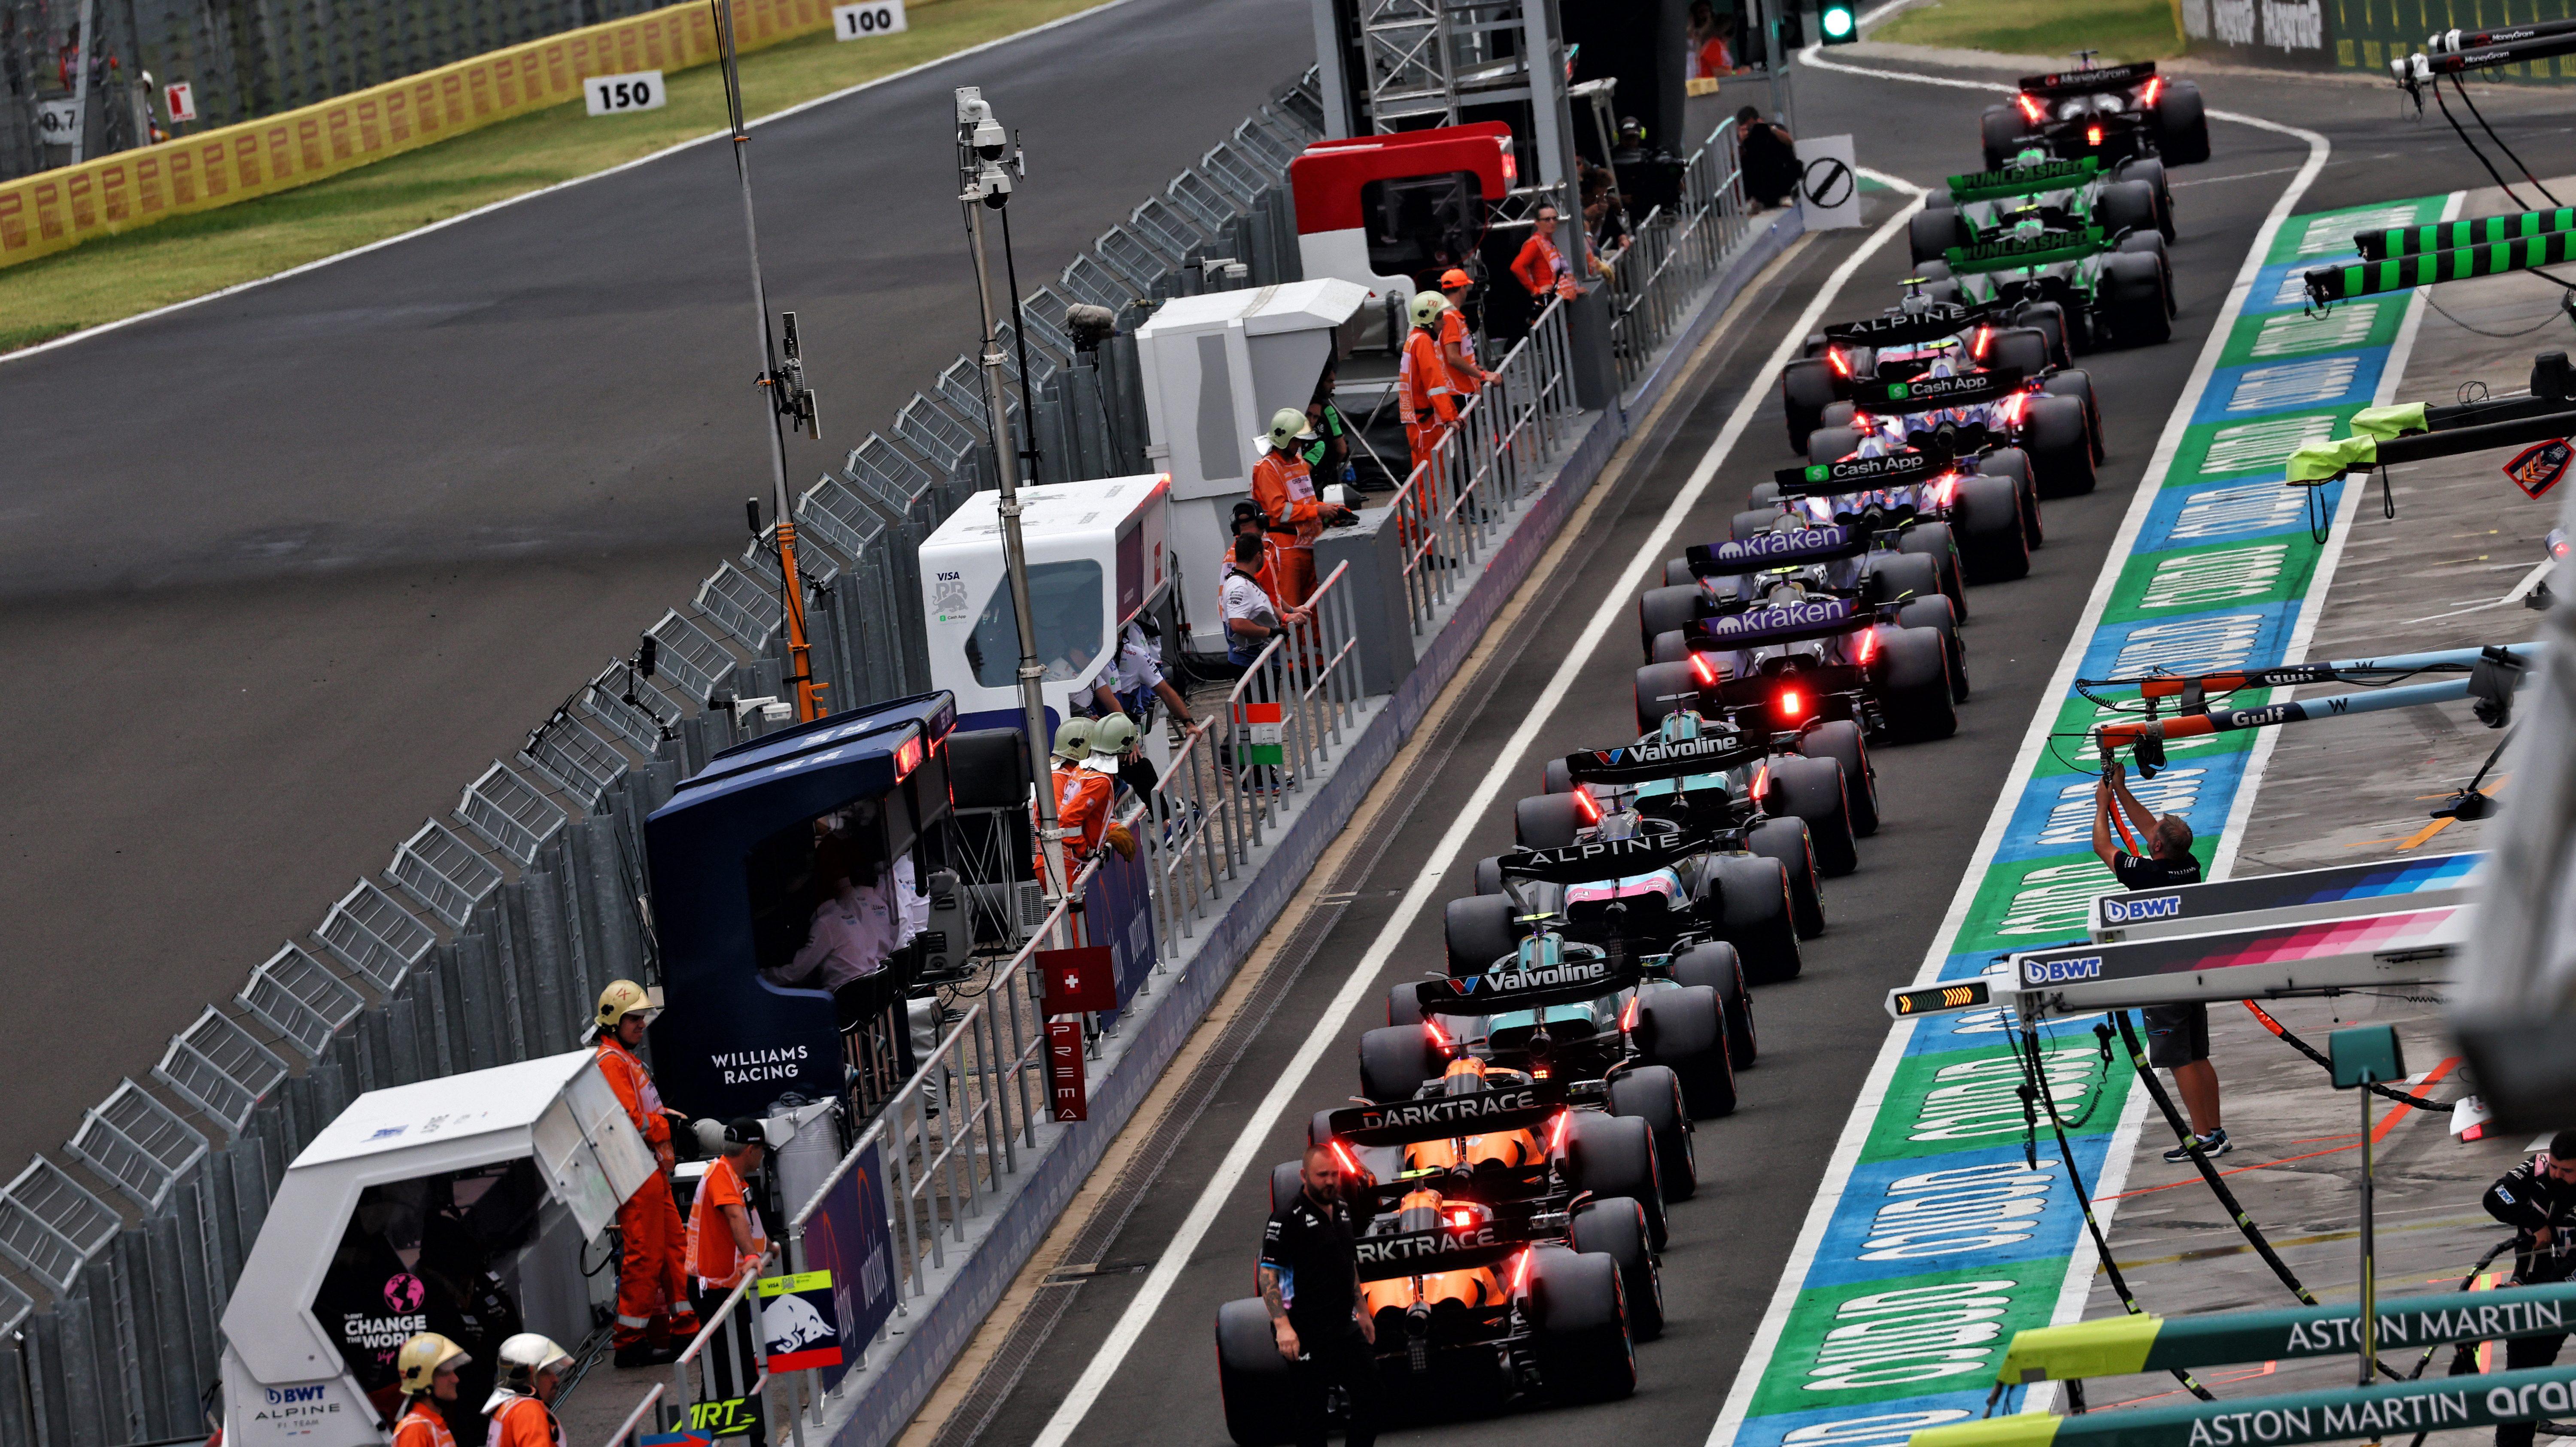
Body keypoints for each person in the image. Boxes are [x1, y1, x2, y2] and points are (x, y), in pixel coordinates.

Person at [2091, 760, 2220, 1162]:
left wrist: (2101, 805)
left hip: (2164, 975)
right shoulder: (2189, 864)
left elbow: (2103, 847)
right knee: (2198, 1055)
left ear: (2159, 847)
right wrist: (2121, 790)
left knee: (2180, 1060)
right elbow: (2153, 829)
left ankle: (2202, 1138)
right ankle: (2215, 1131)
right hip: (2193, 972)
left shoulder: (2147, 874)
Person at [592, 982, 698, 1367]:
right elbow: (630, 1121)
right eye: (634, 1018)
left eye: (643, 1017)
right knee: (646, 1255)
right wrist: (666, 1128)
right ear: (613, 1021)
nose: (642, 1024)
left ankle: (686, 1326)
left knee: (674, 1248)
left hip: (648, 1169)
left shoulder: (624, 1060)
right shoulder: (611, 1063)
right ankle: (629, 1343)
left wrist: (664, 1123)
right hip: (635, 1171)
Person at [1261, 1145, 1382, 1447]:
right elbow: (1268, 1277)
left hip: (1342, 1326)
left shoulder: (1342, 1209)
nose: (1330, 1181)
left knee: (1373, 1394)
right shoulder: (1285, 1219)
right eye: (1322, 1175)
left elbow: (1348, 1262)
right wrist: (1283, 1327)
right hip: (1304, 1331)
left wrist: (1363, 1311)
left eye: (1334, 1174)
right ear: (1304, 1176)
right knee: (1312, 1418)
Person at [2486, 1132, 2576, 1447]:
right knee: (2521, 1386)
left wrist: (2536, 1292)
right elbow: (2496, 1196)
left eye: (2567, 1171)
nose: (2557, 1175)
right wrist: (2535, 1222)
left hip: (2564, 1289)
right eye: (2555, 1167)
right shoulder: (2536, 1169)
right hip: (2533, 1285)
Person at [1253, 407, 1358, 607]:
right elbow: (1280, 511)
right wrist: (1319, 511)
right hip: (1285, 549)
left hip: (1309, 543)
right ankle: (1294, 641)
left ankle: (1315, 641)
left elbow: (1307, 501)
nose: (1300, 444)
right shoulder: (1267, 469)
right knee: (1292, 610)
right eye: (1296, 440)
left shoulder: (1299, 462)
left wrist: (1332, 510)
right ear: (1283, 439)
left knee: (1314, 610)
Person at [1399, 292, 1461, 481]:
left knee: (1423, 477)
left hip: (1419, 422)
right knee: (1431, 480)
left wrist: (1452, 414)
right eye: (1440, 317)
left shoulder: (1414, 340)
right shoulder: (1423, 342)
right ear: (1427, 319)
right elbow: (1434, 385)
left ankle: (1420, 512)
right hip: (1425, 424)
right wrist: (1450, 417)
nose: (1444, 323)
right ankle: (1427, 513)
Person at [1222, 532, 1306, 668]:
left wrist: (1290, 612)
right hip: (1251, 665)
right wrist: (1271, 632)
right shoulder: (1240, 586)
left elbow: (1263, 603)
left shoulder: (1248, 580)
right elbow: (1237, 624)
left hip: (1263, 662)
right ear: (1258, 556)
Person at [481, 1335, 570, 1447]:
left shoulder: (507, 1406)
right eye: (546, 1372)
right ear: (530, 1374)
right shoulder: (528, 1410)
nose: (555, 1379)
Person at [392, 1335, 468, 1447]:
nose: (456, 1379)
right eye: (446, 1372)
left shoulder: (431, 1424)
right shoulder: (416, 1429)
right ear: (423, 1379)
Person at [1509, 203, 1582, 305]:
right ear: (1537, 222)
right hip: (1549, 299)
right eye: (1547, 220)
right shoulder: (1535, 244)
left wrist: (1574, 288)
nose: (1552, 222)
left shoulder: (1547, 241)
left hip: (1559, 297)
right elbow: (1516, 267)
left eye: (1554, 218)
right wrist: (1535, 290)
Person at [1436, 268, 1492, 400]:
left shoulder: (1448, 316)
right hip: (1459, 392)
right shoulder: (1450, 318)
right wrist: (1483, 376)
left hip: (1460, 389)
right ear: (1462, 289)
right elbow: (1453, 357)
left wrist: (1472, 368)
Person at [1737, 106, 1799, 210]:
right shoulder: (1744, 136)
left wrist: (1770, 129)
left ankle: (1785, 194)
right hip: (1759, 178)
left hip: (1779, 171)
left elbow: (1789, 141)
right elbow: (1734, 161)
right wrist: (1741, 142)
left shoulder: (1773, 128)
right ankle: (1754, 198)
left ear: (1759, 120)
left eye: (1753, 125)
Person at [1232, 502, 1289, 603]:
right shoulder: (1258, 555)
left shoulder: (1231, 553)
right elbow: (1265, 597)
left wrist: (1291, 610)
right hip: (1264, 617)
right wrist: (1285, 616)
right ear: (1263, 522)